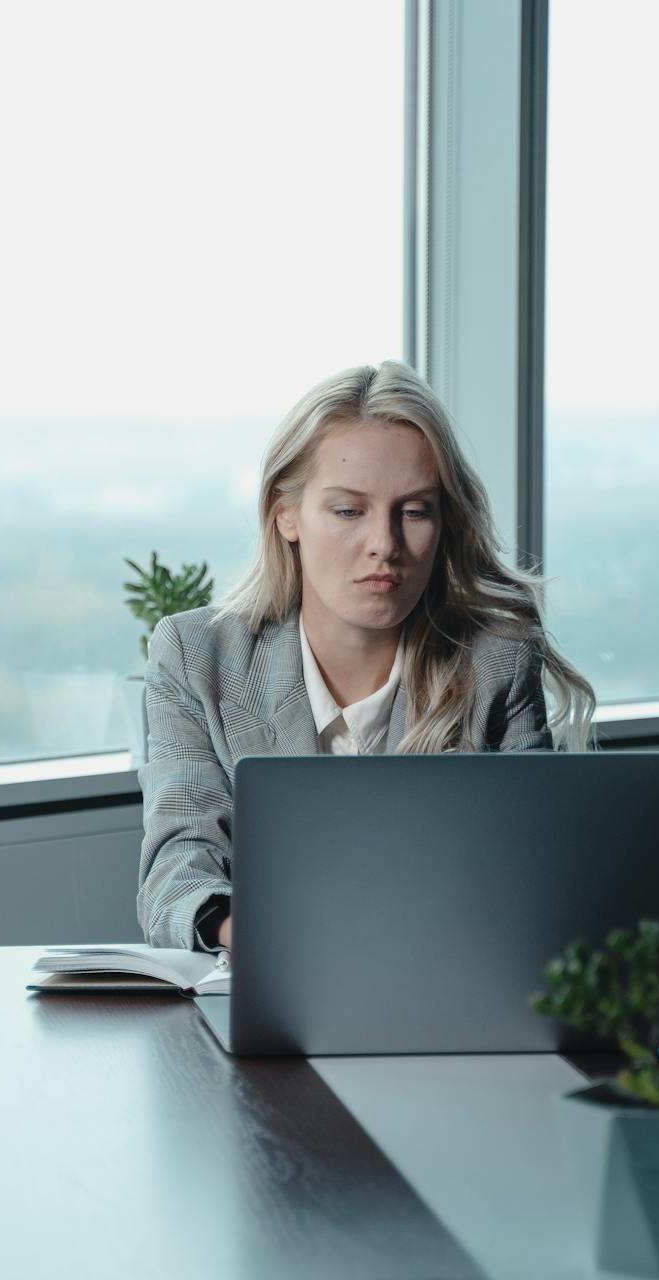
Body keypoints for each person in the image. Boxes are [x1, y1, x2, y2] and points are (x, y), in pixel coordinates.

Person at [136, 360, 595, 953]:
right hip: (267, 990)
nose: (385, 544)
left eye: (414, 511)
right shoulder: (197, 657)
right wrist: (256, 935)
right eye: (349, 511)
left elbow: (540, 874)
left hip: (447, 989)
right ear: (287, 514)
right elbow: (177, 864)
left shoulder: (495, 663)